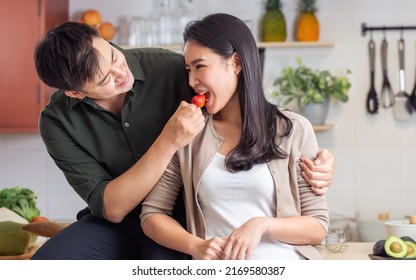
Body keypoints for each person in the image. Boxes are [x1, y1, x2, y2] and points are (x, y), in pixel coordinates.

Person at [31, 21, 333, 260]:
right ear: (76, 92)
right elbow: (113, 208)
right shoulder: (57, 120)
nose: (120, 73)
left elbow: (236, 96)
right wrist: (167, 141)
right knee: (48, 265)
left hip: (183, 217)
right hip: (124, 223)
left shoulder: (168, 67)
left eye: (113, 55)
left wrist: (309, 149)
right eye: (104, 79)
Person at [140, 13, 329, 260]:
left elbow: (318, 226)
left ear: (236, 63)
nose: (191, 81)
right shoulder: (188, 134)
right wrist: (195, 246)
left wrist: (261, 225)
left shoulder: (294, 129)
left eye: (200, 66)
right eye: (188, 69)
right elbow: (152, 215)